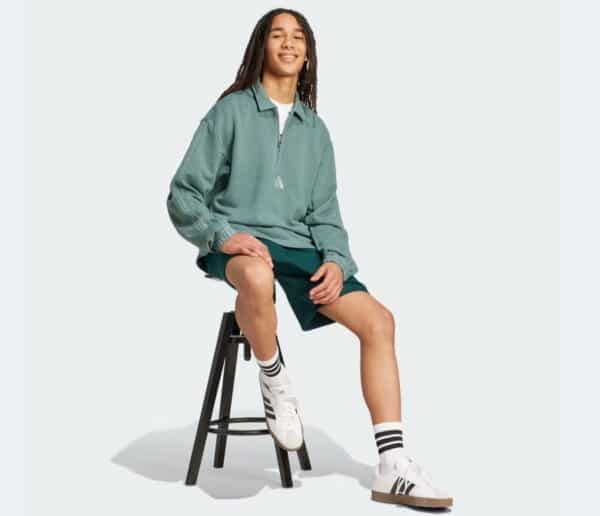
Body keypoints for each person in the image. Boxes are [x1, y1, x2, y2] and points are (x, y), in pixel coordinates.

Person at [166, 7, 453, 509]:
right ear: (261, 46)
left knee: (379, 322)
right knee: (257, 277)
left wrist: (336, 261)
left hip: (300, 247)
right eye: (277, 34)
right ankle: (275, 378)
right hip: (242, 243)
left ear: (308, 53)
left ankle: (392, 465)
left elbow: (325, 213)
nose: (288, 43)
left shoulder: (315, 131)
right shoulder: (230, 112)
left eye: (298, 36)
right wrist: (223, 235)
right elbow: (183, 194)